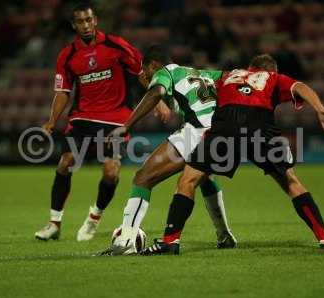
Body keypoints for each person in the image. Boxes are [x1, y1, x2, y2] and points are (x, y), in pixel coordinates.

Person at [142, 54, 324, 255]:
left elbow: (199, 89)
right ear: (272, 70)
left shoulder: (230, 75)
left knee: (188, 180)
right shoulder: (274, 78)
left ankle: (170, 241)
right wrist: (320, 107)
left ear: (249, 67)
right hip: (259, 124)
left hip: (226, 124)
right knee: (291, 182)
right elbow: (300, 86)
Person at [34, 2, 167, 241]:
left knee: (111, 173)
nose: (85, 25)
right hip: (82, 119)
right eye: (80, 22)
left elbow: (142, 72)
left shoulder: (116, 45)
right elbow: (63, 90)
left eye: (89, 20)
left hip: (115, 118)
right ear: (73, 25)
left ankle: (94, 217)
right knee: (66, 163)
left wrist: (157, 100)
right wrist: (53, 120)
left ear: (95, 21)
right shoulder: (68, 55)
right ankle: (54, 223)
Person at [99, 45, 236, 255]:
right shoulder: (202, 73)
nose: (145, 77)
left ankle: (125, 240)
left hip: (197, 131)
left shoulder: (166, 72)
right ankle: (225, 235)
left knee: (143, 178)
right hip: (222, 132)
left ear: (154, 65)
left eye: (146, 72)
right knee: (205, 178)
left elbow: (156, 92)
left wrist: (127, 125)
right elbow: (232, 77)